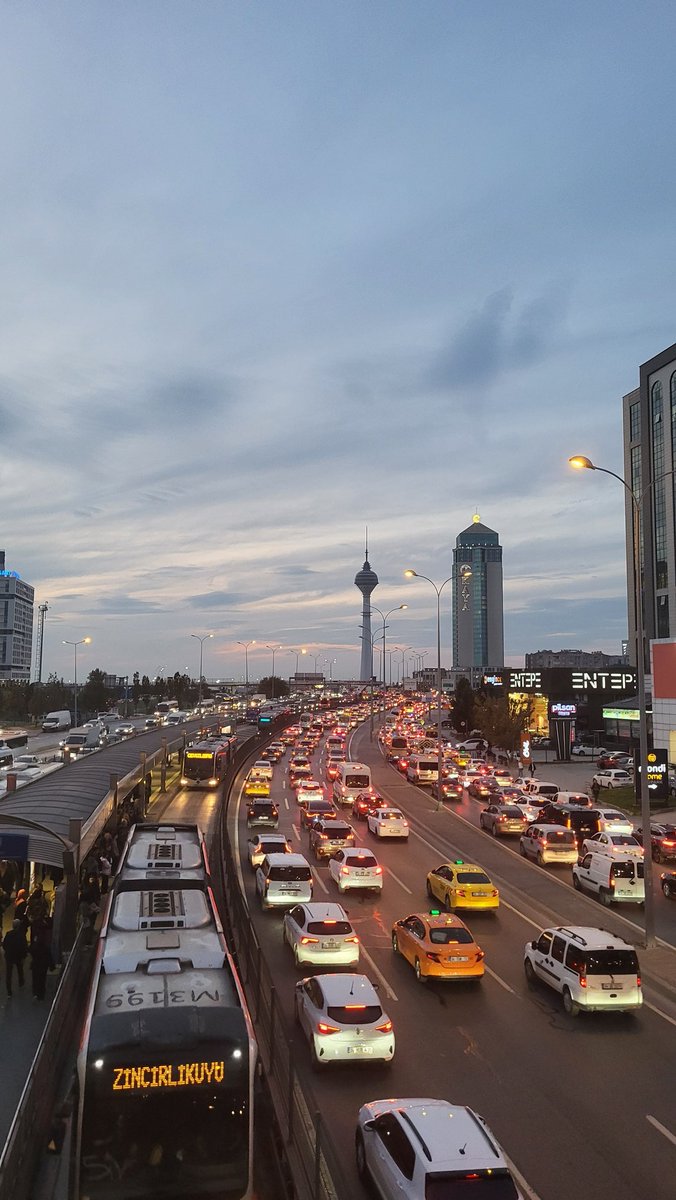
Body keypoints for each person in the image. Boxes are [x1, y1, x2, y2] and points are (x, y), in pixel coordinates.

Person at [2, 919, 28, 997]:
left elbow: (4, 945)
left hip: (9, 956)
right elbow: (24, 946)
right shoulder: (22, 935)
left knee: (9, 973)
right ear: (19, 926)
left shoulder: (8, 934)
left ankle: (9, 991)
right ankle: (21, 982)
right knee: (20, 969)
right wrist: (24, 956)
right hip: (18, 956)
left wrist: (7, 951)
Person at [29, 934, 52, 1000]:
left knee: (35, 980)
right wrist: (51, 966)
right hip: (43, 966)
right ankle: (41, 994)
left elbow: (30, 950)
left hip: (35, 966)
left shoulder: (34, 947)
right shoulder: (46, 948)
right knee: (42, 980)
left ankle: (35, 993)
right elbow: (49, 957)